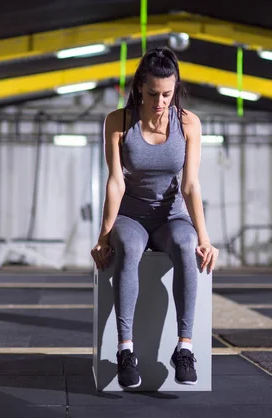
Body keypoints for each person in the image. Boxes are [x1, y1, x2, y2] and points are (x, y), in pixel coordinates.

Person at [90, 47, 219, 389]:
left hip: (171, 217)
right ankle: (125, 350)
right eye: (152, 94)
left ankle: (184, 348)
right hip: (131, 215)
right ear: (139, 89)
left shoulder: (188, 123)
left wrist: (205, 238)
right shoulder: (118, 122)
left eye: (167, 93)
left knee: (186, 243)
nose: (160, 102)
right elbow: (116, 182)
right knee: (129, 249)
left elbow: (190, 185)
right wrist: (103, 236)